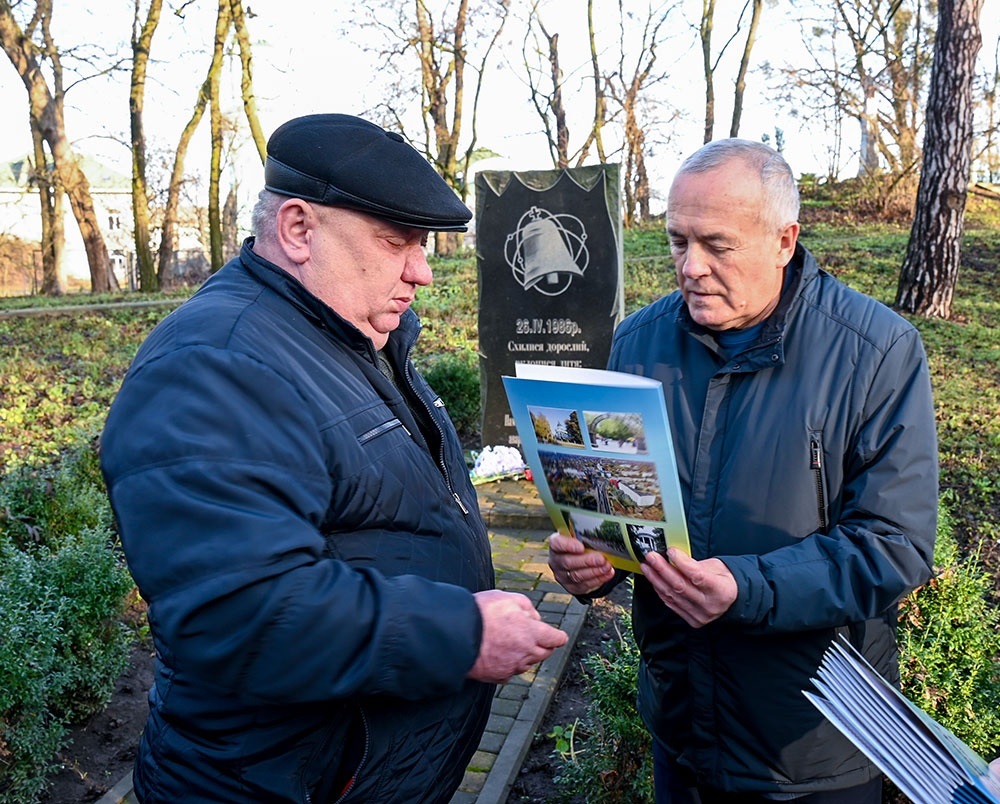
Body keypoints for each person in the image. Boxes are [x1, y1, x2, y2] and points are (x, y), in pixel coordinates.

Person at [100, 113, 567, 803]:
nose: (422, 271)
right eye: (395, 242)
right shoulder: (217, 364)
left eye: (424, 245)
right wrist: (462, 633)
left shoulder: (349, 335)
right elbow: (244, 612)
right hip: (282, 781)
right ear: (297, 230)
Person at [548, 138, 938, 803]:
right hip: (683, 732)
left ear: (784, 241)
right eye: (677, 242)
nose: (691, 267)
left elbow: (894, 545)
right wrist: (589, 563)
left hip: (814, 748)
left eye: (717, 246)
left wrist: (748, 587)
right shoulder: (633, 346)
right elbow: (614, 511)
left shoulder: (876, 352)